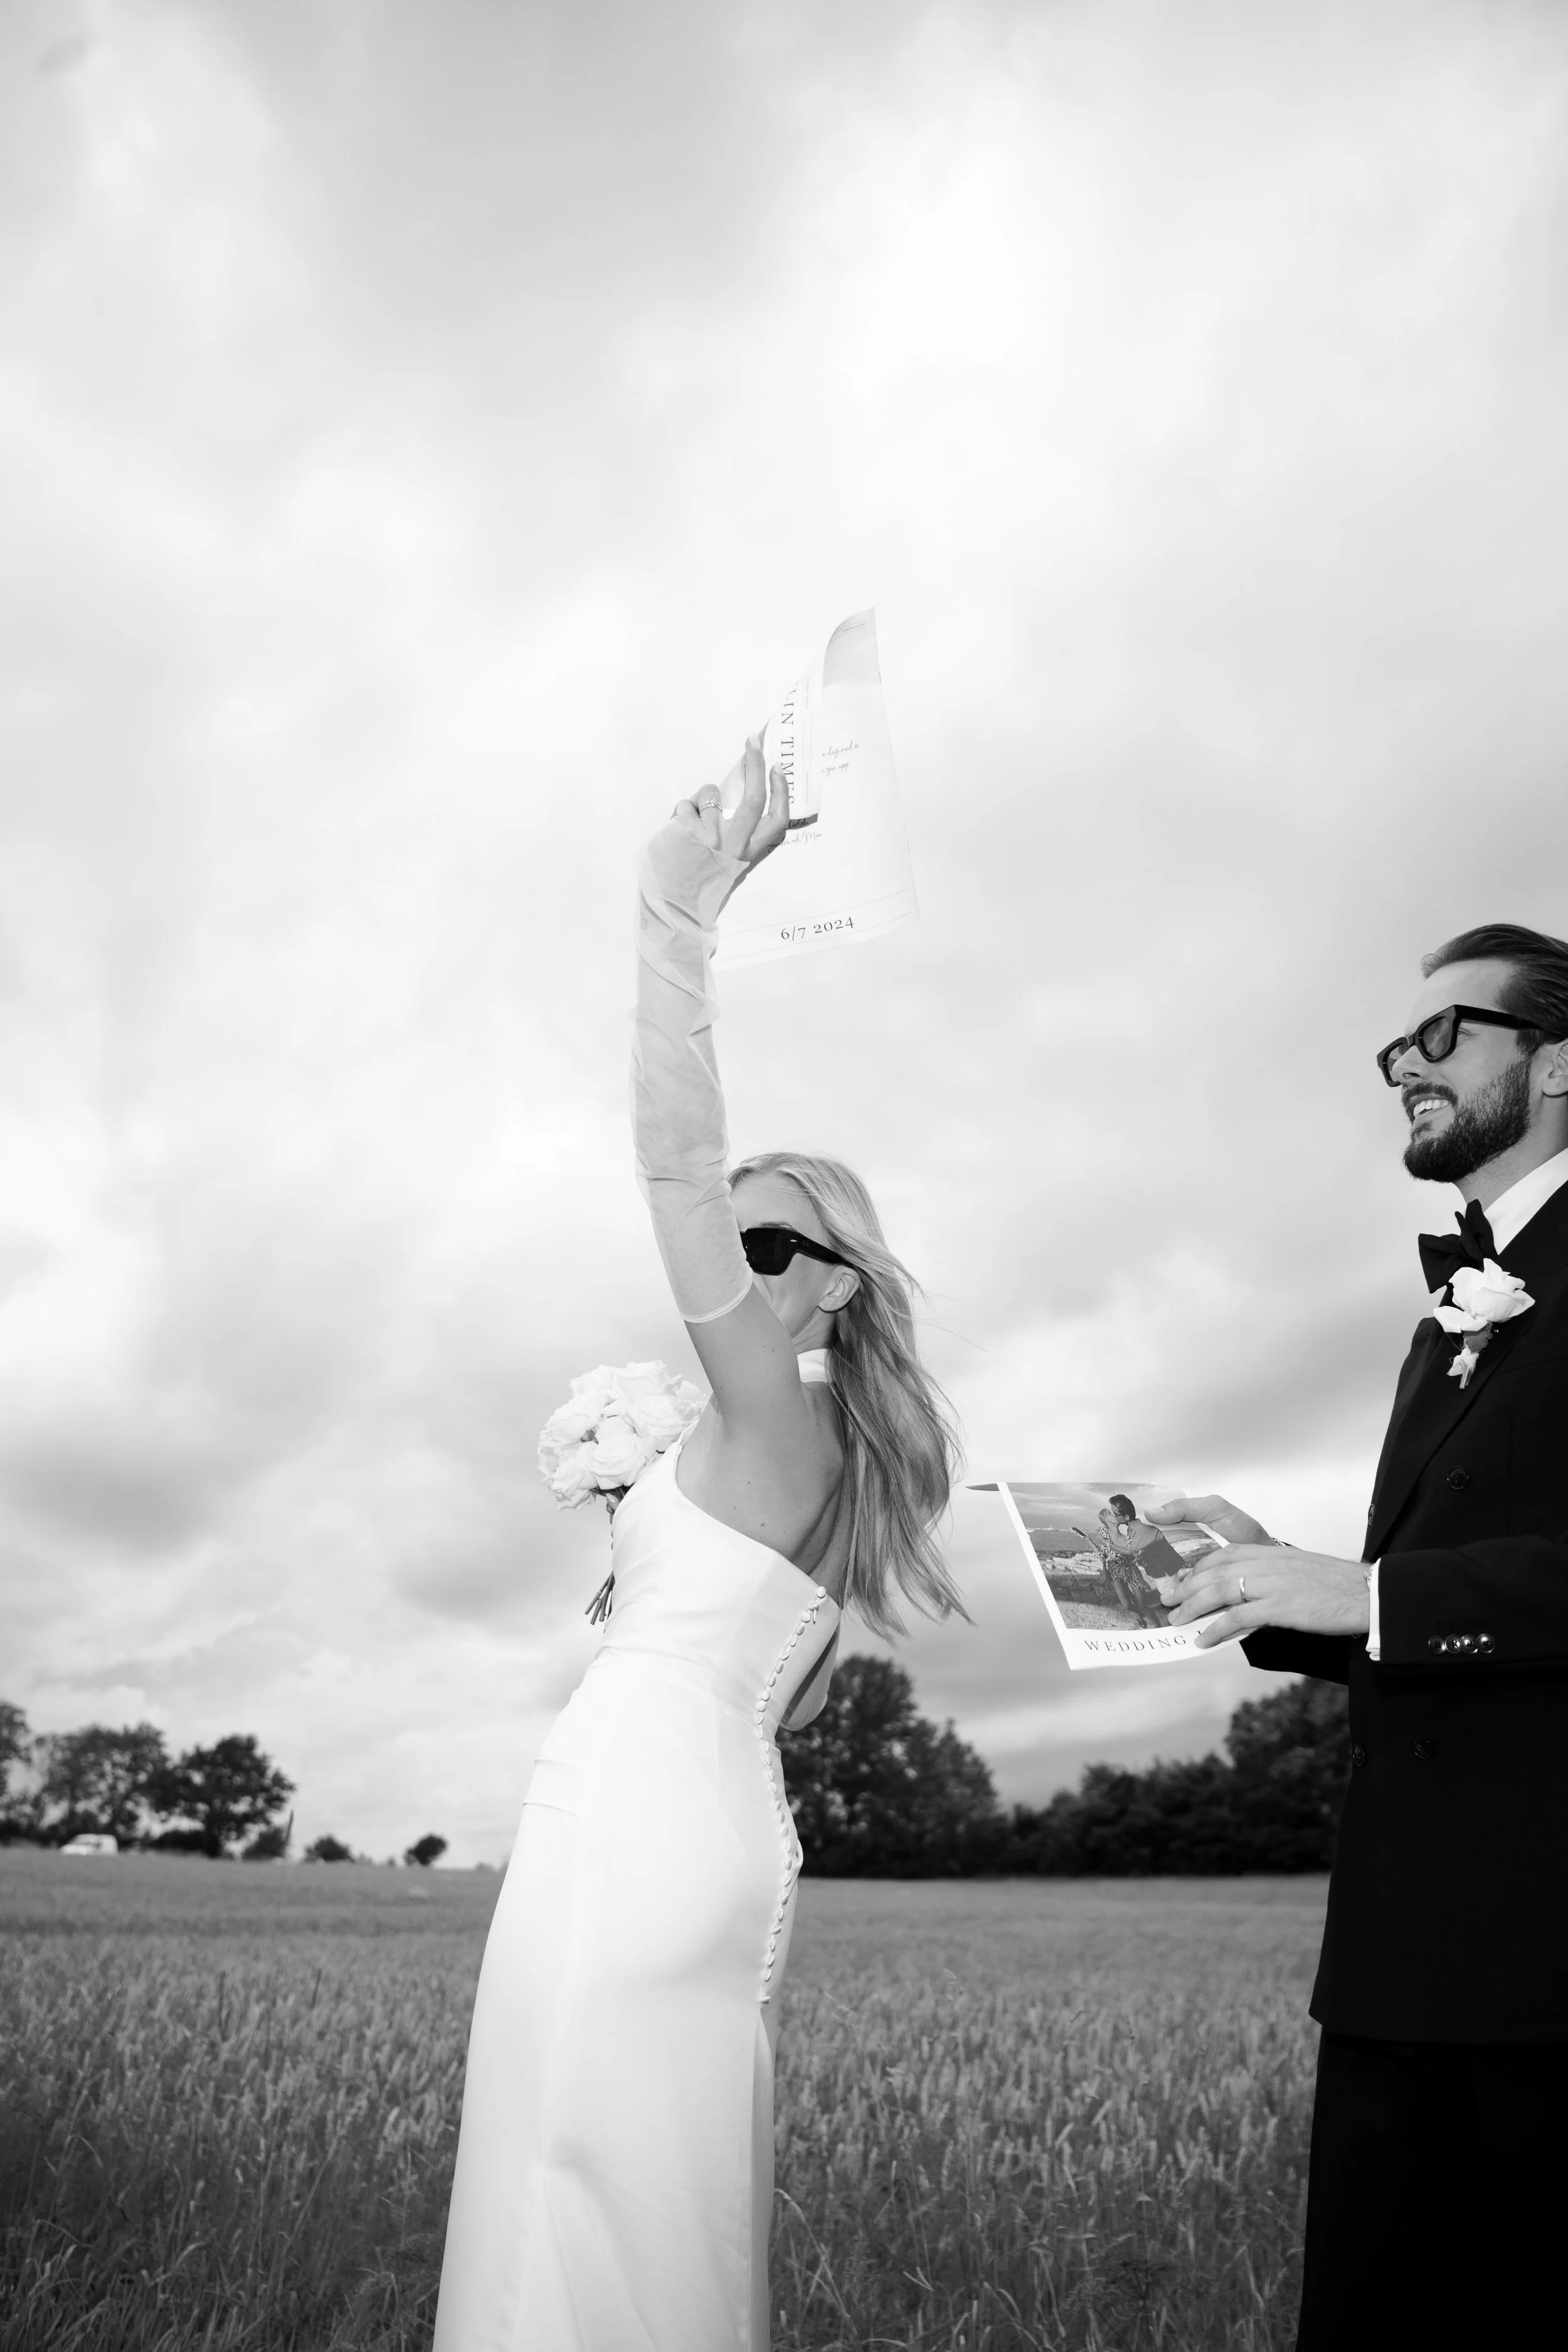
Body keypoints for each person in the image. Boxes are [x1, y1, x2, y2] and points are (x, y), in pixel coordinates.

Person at [432, 736, 964, 2352]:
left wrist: (675, 921)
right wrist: (644, 1525)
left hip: (636, 1815)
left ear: (832, 1284)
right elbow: (776, 1704)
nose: (724, 1263)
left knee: (563, 2178)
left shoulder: (778, 1410)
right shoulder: (798, 1461)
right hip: (702, 1807)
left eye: (761, 1243)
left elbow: (668, 1170)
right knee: (623, 2168)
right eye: (727, 1242)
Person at [1151, 923, 1568, 2351]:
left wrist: (1369, 1593)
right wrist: (1265, 1583)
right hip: (1396, 1956)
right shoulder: (1440, 1312)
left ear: (1557, 1059)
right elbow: (1431, 1601)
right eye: (1392, 1048)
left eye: (1441, 1035)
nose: (1401, 1065)